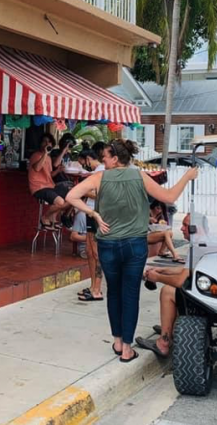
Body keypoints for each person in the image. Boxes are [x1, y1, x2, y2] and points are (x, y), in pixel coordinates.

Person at [66, 139, 198, 363]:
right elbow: (169, 197)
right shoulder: (140, 176)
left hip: (108, 244)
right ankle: (127, 348)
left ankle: (117, 340)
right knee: (129, 295)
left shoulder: (99, 178)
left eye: (106, 157)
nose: (103, 161)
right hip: (135, 245)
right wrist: (186, 177)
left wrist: (94, 214)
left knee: (114, 293)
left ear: (115, 158)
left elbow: (71, 197)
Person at [136, 214, 200, 358]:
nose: (182, 229)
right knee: (174, 288)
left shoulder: (198, 247)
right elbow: (186, 270)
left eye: (185, 225)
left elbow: (180, 281)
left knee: (168, 291)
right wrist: (162, 270)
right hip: (201, 290)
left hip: (201, 298)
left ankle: (164, 342)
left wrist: (157, 277)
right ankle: (170, 328)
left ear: (197, 228)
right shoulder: (203, 243)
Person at [77, 148, 107, 302]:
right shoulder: (95, 172)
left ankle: (97, 289)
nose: (83, 165)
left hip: (97, 213)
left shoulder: (101, 172)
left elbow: (101, 194)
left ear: (88, 158)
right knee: (90, 252)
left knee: (96, 253)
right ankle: (92, 285)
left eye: (83, 162)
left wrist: (81, 191)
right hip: (90, 212)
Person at [28, 132, 71, 228]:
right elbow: (37, 168)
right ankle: (45, 217)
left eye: (49, 142)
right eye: (44, 142)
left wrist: (58, 170)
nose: (47, 144)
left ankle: (53, 217)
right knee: (60, 202)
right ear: (40, 143)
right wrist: (45, 153)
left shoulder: (48, 158)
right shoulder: (36, 155)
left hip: (49, 186)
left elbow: (50, 175)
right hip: (38, 188)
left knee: (71, 197)